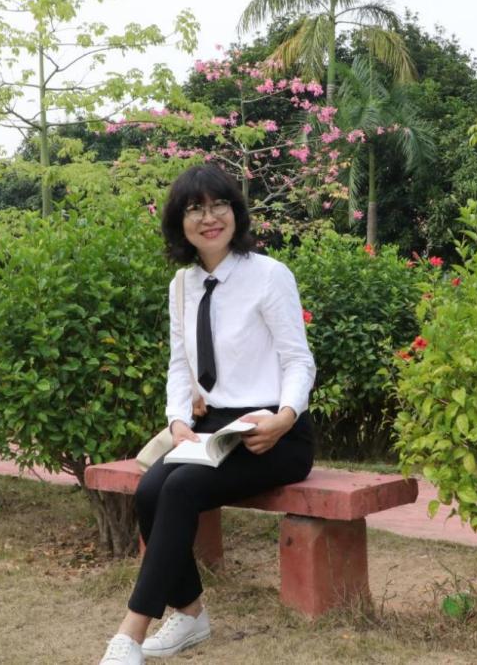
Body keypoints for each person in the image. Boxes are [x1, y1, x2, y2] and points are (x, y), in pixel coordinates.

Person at [99, 164, 317, 664]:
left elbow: (298, 360)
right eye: (194, 209)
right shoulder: (183, 284)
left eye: (219, 205)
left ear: (236, 212)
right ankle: (191, 613)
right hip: (214, 429)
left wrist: (284, 417)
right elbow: (180, 364)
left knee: (178, 488)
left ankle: (130, 635)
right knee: (150, 491)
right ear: (180, 223)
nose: (209, 217)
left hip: (274, 433)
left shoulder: (269, 275)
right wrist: (178, 421)